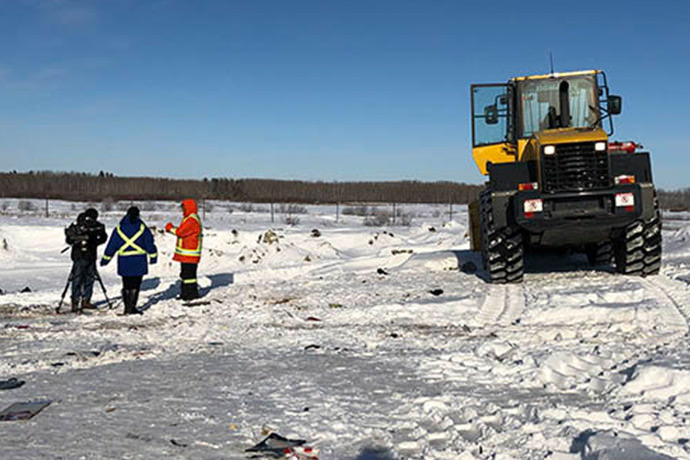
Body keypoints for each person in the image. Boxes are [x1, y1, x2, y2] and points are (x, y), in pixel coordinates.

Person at [100, 206, 158, 315]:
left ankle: (127, 308)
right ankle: (132, 308)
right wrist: (153, 256)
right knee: (135, 285)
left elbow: (112, 245)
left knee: (126, 285)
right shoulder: (142, 227)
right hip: (138, 260)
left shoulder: (119, 228)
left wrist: (105, 259)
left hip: (124, 261)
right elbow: (149, 243)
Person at [64, 208, 107, 313]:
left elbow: (103, 237)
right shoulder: (79, 226)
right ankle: (78, 301)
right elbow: (69, 239)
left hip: (87, 256)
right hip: (82, 256)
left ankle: (82, 301)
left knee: (86, 278)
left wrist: (93, 240)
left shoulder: (95, 226)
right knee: (81, 279)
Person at [165, 199, 202, 300]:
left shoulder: (191, 220)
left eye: (183, 208)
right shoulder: (189, 218)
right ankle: (187, 293)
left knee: (188, 276)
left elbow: (180, 232)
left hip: (190, 253)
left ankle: (189, 294)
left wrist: (170, 228)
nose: (182, 210)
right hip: (188, 254)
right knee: (186, 275)